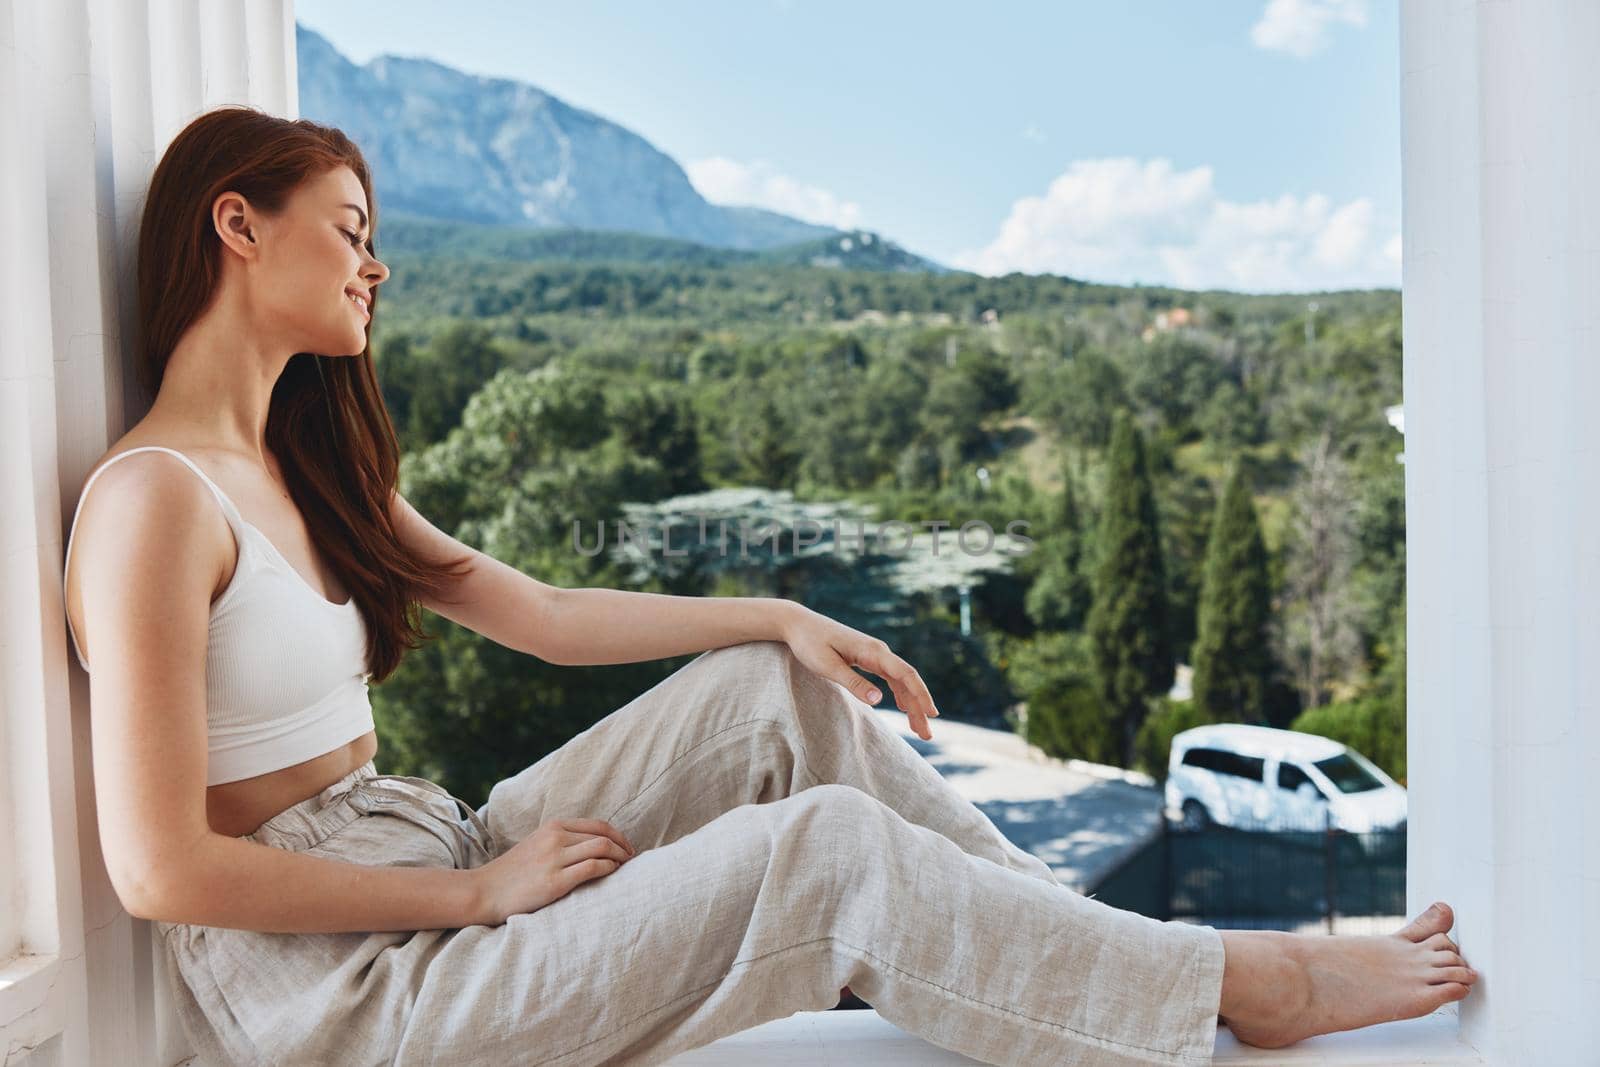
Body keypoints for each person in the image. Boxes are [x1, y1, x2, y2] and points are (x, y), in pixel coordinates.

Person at [61, 105, 1477, 1067]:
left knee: (768, 700)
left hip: (420, 851)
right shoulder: (150, 505)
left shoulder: (303, 471)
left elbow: (544, 619)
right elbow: (161, 870)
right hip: (349, 993)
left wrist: (779, 617)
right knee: (825, 854)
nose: (378, 263)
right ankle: (1243, 988)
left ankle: (1124, 959)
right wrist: (486, 896)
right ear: (237, 227)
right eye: (351, 227)